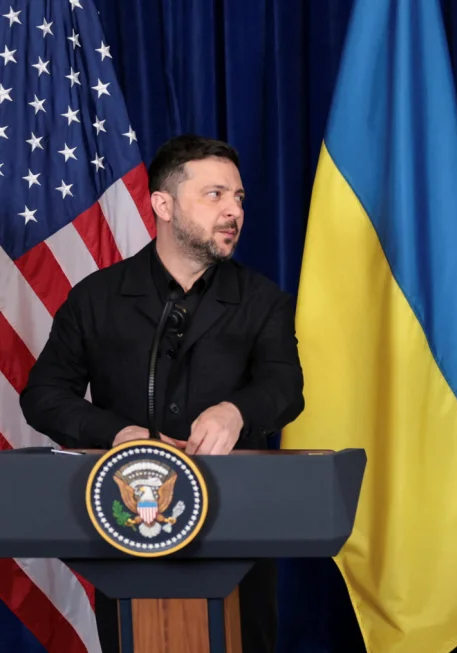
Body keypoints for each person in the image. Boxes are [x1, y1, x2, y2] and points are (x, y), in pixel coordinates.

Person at [19, 134, 303, 653]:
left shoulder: (262, 299)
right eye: (215, 195)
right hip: (130, 522)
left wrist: (236, 411)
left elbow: (286, 387)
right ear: (163, 205)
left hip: (236, 523)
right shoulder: (97, 298)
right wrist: (117, 432)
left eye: (238, 198)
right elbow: (43, 396)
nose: (233, 211)